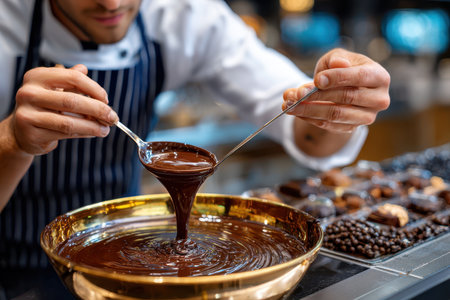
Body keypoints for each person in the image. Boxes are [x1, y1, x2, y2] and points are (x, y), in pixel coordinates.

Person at [0, 0, 390, 297]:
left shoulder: (181, 13)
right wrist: (13, 141)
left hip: (125, 277)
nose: (112, 4)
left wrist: (340, 103)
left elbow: (307, 131)